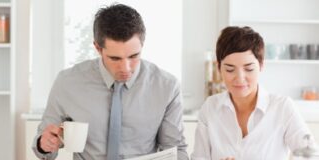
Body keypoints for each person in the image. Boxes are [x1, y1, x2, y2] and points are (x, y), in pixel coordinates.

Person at [32, 3, 188, 160]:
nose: (125, 68)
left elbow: (176, 150)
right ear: (97, 48)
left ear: (142, 45)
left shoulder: (167, 87)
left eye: (134, 56)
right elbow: (43, 149)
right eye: (115, 58)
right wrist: (44, 144)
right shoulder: (67, 82)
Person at [191, 26, 316, 160]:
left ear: (261, 65)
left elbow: (311, 156)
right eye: (229, 70)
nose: (239, 78)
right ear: (219, 68)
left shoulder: (282, 108)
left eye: (249, 69)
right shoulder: (210, 108)